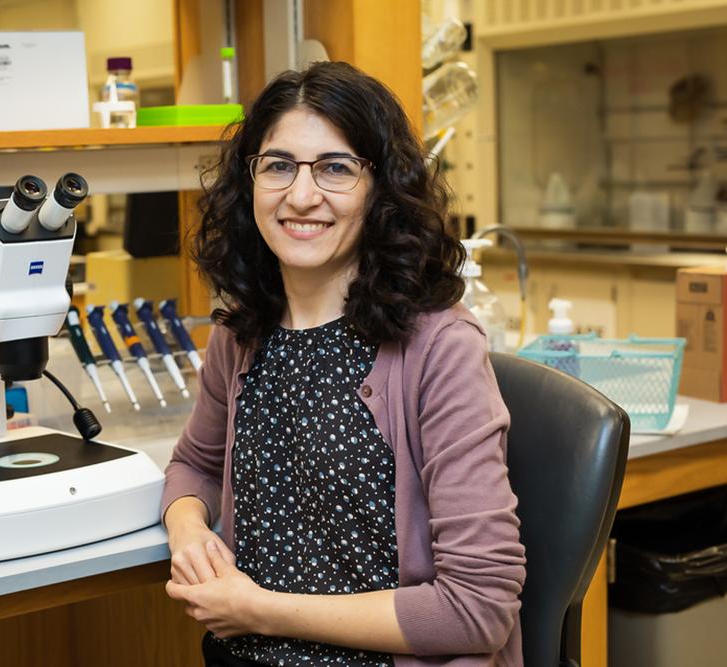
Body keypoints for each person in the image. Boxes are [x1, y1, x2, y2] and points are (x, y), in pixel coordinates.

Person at [162, 61, 526, 667]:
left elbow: (476, 609)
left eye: (336, 168)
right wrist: (189, 528)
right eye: (278, 165)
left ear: (381, 188)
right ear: (248, 182)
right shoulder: (244, 330)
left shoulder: (438, 346)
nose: (302, 196)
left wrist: (259, 609)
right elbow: (194, 465)